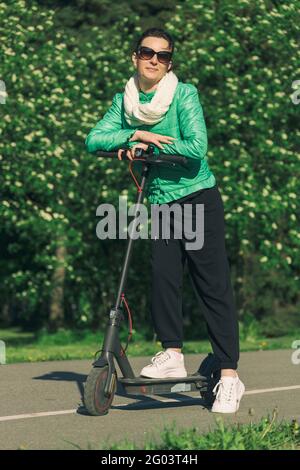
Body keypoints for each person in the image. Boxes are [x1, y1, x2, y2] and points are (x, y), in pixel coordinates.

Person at [85, 28, 245, 413]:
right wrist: (133, 134)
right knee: (163, 277)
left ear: (169, 63)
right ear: (134, 57)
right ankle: (171, 352)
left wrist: (153, 146)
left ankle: (229, 376)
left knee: (212, 287)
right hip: (161, 203)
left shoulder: (184, 94)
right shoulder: (124, 101)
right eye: (146, 52)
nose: (154, 60)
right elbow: (94, 139)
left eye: (162, 55)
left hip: (197, 198)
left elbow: (196, 146)